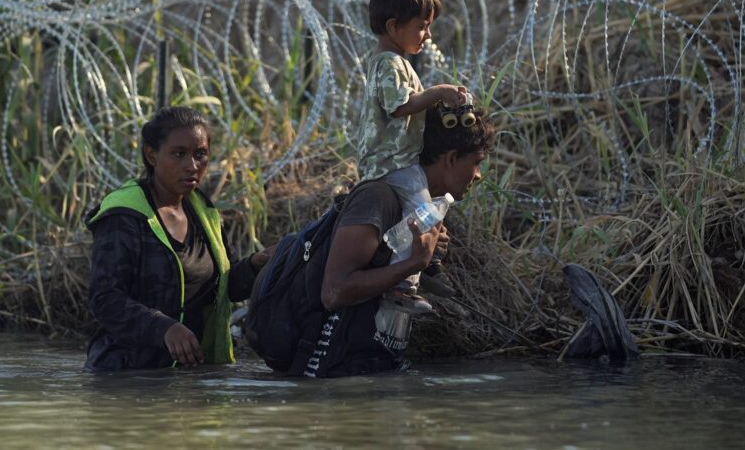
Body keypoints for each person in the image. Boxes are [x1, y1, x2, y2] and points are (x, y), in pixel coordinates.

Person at [306, 104, 495, 377]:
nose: (478, 175)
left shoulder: (426, 207)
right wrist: (416, 262)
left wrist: (426, 261)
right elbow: (334, 291)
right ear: (451, 158)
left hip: (374, 371)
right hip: (330, 376)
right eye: (477, 162)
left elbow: (382, 271)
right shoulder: (378, 199)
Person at [84, 106, 270, 371]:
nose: (192, 166)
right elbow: (105, 299)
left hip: (190, 374)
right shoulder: (124, 216)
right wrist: (164, 328)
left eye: (200, 155)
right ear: (152, 155)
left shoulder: (202, 211)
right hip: (126, 376)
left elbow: (224, 287)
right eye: (179, 154)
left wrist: (256, 265)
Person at [356, 0, 471, 312]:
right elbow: (400, 106)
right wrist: (438, 92)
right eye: (422, 26)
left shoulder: (393, 62)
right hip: (390, 162)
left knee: (427, 212)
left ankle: (422, 264)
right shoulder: (389, 63)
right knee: (425, 213)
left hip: (397, 160)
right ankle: (403, 286)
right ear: (393, 27)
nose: (428, 34)